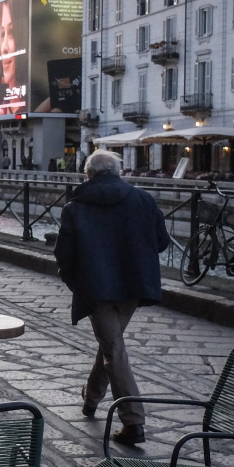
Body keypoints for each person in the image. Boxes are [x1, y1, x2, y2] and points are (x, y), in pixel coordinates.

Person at [53, 149, 169, 445]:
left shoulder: (75, 207)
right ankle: (91, 399)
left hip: (97, 286)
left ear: (88, 175)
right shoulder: (142, 199)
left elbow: (64, 255)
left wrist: (77, 282)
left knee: (113, 347)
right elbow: (161, 242)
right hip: (133, 285)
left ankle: (133, 423)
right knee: (111, 344)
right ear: (120, 173)